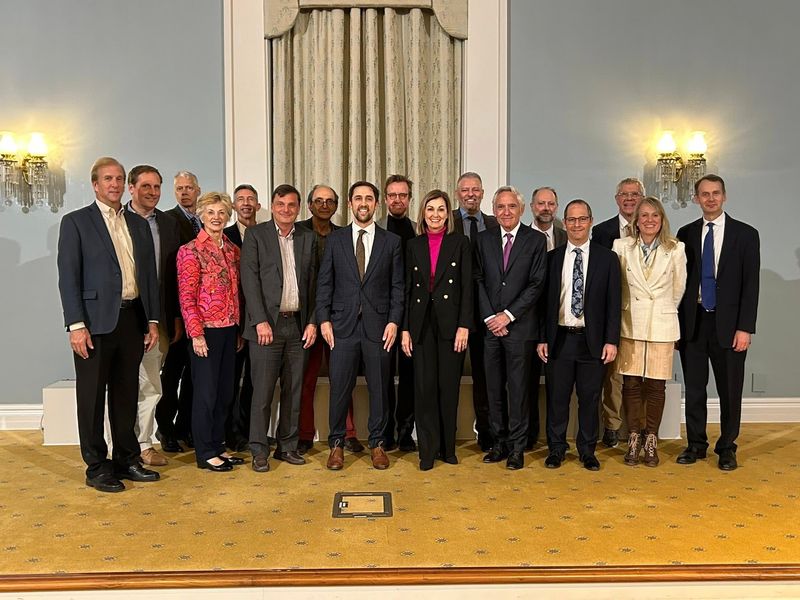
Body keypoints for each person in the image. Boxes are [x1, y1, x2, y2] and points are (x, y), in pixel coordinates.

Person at [57, 156, 161, 492]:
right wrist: (75, 325)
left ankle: (127, 459)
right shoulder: (76, 223)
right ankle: (97, 467)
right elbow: (68, 278)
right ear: (95, 184)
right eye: (107, 179)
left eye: (118, 179)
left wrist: (152, 320)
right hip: (93, 324)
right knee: (91, 397)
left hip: (132, 319)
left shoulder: (138, 224)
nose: (114, 185)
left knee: (126, 393)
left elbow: (148, 277)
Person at [316, 181, 404, 470]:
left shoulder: (391, 242)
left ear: (376, 204)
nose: (363, 203)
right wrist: (324, 320)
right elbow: (324, 283)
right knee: (340, 387)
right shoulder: (336, 240)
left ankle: (378, 444)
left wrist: (394, 321)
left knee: (380, 387)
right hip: (341, 327)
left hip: (379, 328)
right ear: (351, 204)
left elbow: (397, 287)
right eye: (358, 198)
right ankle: (337, 444)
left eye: (368, 198)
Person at [677, 174, 760, 471]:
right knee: (695, 388)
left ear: (724, 196)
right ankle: (696, 444)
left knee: (729, 389)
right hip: (694, 322)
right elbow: (680, 283)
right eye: (704, 194)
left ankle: (727, 446)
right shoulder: (685, 234)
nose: (710, 198)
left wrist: (745, 328)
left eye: (715, 193)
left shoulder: (746, 235)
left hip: (730, 325)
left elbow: (751, 285)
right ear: (697, 199)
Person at [538, 199, 621, 471]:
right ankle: (556, 449)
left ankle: (587, 450)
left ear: (590, 221)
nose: (576, 224)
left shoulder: (607, 258)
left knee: (589, 398)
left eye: (582, 219)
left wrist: (611, 340)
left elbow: (613, 303)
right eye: (571, 220)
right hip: (559, 339)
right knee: (557, 399)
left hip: (592, 341)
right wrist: (542, 338)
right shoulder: (551, 259)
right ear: (565, 222)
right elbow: (544, 304)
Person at [241, 184, 317, 473]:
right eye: (281, 204)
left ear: (298, 208)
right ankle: (259, 449)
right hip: (266, 327)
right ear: (271, 206)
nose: (286, 210)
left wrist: (311, 321)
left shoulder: (308, 238)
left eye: (291, 205)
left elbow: (314, 284)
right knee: (262, 392)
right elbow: (250, 281)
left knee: (293, 390)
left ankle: (287, 446)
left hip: (297, 326)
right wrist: (260, 320)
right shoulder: (256, 236)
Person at [474, 186, 546, 470]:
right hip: (490, 329)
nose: (505, 212)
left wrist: (508, 315)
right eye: (500, 207)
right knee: (493, 389)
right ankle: (498, 443)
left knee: (517, 391)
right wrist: (491, 316)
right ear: (494, 210)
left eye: (511, 207)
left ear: (521, 209)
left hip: (520, 328)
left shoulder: (536, 241)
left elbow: (537, 283)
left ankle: (517, 447)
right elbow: (477, 279)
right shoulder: (482, 239)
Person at [613, 196, 686, 466]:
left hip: (661, 324)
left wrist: (663, 312)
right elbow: (617, 286)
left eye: (654, 215)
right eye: (643, 215)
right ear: (636, 219)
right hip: (629, 323)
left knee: (656, 386)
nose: (649, 220)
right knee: (631, 384)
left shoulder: (676, 248)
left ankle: (651, 438)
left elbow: (678, 289)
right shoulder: (621, 246)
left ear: (662, 219)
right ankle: (633, 437)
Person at [401, 190, 472, 470]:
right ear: (423, 213)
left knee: (448, 387)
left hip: (451, 324)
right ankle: (427, 451)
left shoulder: (460, 243)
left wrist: (464, 325)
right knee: (424, 388)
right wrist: (406, 329)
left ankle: (447, 448)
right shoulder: (413, 245)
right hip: (421, 325)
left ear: (448, 214)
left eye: (441, 209)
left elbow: (467, 288)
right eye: (430, 209)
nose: (435, 214)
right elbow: (406, 290)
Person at [177, 191, 243, 472]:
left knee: (225, 392)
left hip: (230, 330)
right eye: (211, 213)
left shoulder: (232, 249)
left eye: (222, 213)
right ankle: (204, 452)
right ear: (201, 216)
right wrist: (196, 334)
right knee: (206, 393)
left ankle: (218, 446)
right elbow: (186, 297)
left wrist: (239, 329)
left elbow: (236, 292)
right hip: (205, 333)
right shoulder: (189, 251)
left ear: (228, 216)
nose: (216, 218)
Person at [296, 185, 364, 454]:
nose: (324, 205)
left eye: (330, 201)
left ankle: (348, 433)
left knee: (343, 378)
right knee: (306, 379)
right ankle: (304, 433)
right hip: (304, 320)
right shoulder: (298, 233)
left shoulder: (343, 236)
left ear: (337, 206)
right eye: (319, 201)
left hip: (339, 321)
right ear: (310, 204)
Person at [126, 165, 181, 467]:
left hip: (159, 318)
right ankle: (124, 444)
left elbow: (173, 276)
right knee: (124, 384)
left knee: (150, 384)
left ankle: (145, 444)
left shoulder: (169, 223)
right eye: (145, 186)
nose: (152, 192)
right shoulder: (118, 221)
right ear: (131, 188)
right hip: (125, 317)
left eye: (157, 187)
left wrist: (173, 318)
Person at [591, 177, 645, 449]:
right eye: (624, 194)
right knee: (613, 374)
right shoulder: (602, 232)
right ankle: (612, 425)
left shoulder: (653, 227)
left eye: (634, 194)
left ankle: (642, 426)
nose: (629, 199)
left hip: (645, 312)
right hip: (612, 311)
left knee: (644, 372)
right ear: (616, 199)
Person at [451, 171, 499, 451]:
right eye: (465, 190)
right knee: (449, 375)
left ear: (482, 194)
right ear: (458, 194)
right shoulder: (448, 222)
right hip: (454, 312)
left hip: (486, 312)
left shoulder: (494, 224)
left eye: (476, 190)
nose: (470, 194)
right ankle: (449, 433)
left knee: (485, 376)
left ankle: (486, 433)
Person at [156, 170, 202, 451]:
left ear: (198, 190)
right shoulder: (168, 221)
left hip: (202, 315)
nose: (184, 192)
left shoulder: (205, 221)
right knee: (171, 375)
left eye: (189, 188)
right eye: (179, 188)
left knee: (194, 378)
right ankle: (166, 430)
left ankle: (186, 427)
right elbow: (169, 274)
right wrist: (174, 316)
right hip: (177, 315)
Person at [378, 174, 417, 452]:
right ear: (385, 199)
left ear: (410, 199)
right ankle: (385, 432)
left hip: (413, 315)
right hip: (382, 315)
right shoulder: (376, 229)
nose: (397, 199)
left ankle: (405, 432)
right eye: (392, 195)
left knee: (410, 375)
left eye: (402, 195)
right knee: (382, 375)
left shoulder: (420, 229)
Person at [527, 186, 567, 450]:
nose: (546, 208)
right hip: (527, 319)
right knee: (527, 382)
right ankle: (529, 436)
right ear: (532, 207)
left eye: (551, 204)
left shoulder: (567, 236)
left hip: (560, 321)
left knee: (558, 383)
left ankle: (556, 440)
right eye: (541, 203)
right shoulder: (522, 237)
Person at [223, 183, 261, 451]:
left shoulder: (265, 235)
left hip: (260, 319)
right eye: (241, 199)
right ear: (234, 206)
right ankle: (230, 433)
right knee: (230, 380)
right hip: (232, 320)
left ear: (258, 206)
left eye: (251, 199)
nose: (246, 203)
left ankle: (251, 432)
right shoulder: (222, 236)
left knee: (254, 381)